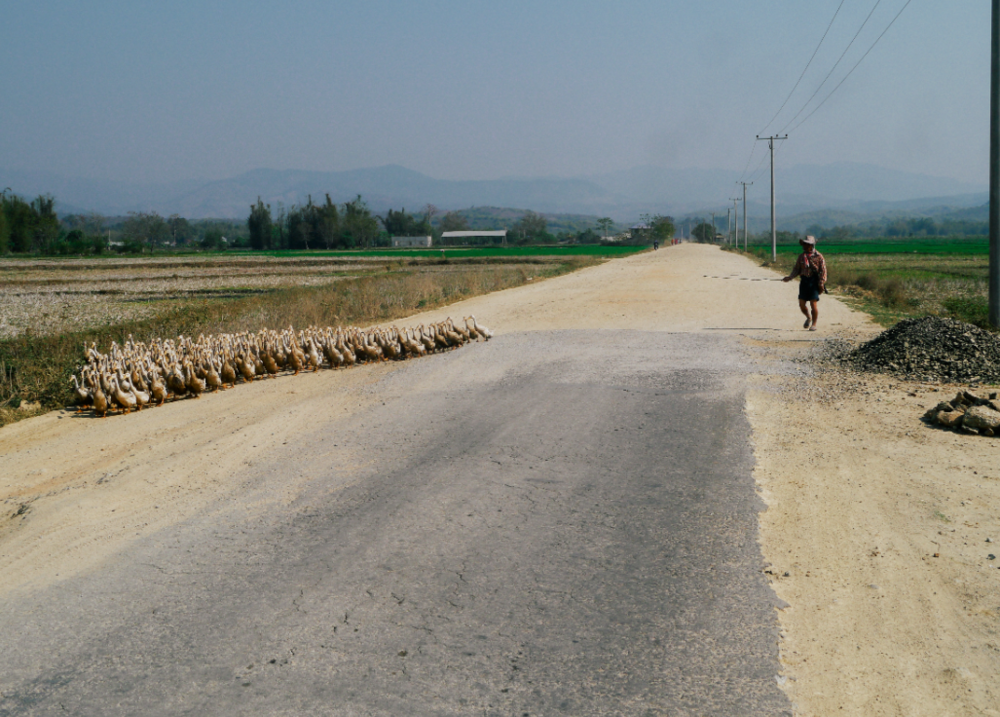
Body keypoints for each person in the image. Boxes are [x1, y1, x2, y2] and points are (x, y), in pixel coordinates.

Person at [782, 235, 826, 331]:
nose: (805, 246)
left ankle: (814, 324)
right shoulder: (801, 257)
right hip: (804, 281)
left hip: (814, 282)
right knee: (802, 304)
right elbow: (796, 269)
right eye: (804, 244)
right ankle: (808, 317)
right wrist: (789, 277)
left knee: (813, 304)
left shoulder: (819, 257)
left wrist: (821, 283)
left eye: (807, 244)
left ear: (812, 245)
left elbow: (823, 271)